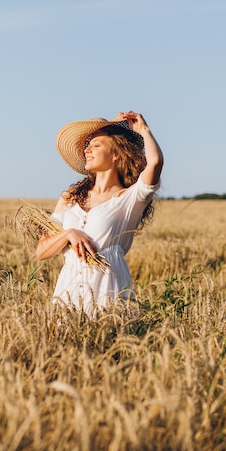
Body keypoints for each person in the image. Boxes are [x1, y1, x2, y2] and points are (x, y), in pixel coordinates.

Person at [36, 111, 164, 317]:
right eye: (87, 145)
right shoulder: (70, 197)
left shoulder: (129, 199)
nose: (87, 150)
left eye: (96, 145)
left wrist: (144, 130)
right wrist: (69, 234)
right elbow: (42, 252)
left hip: (108, 293)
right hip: (67, 295)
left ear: (115, 154)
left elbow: (155, 163)